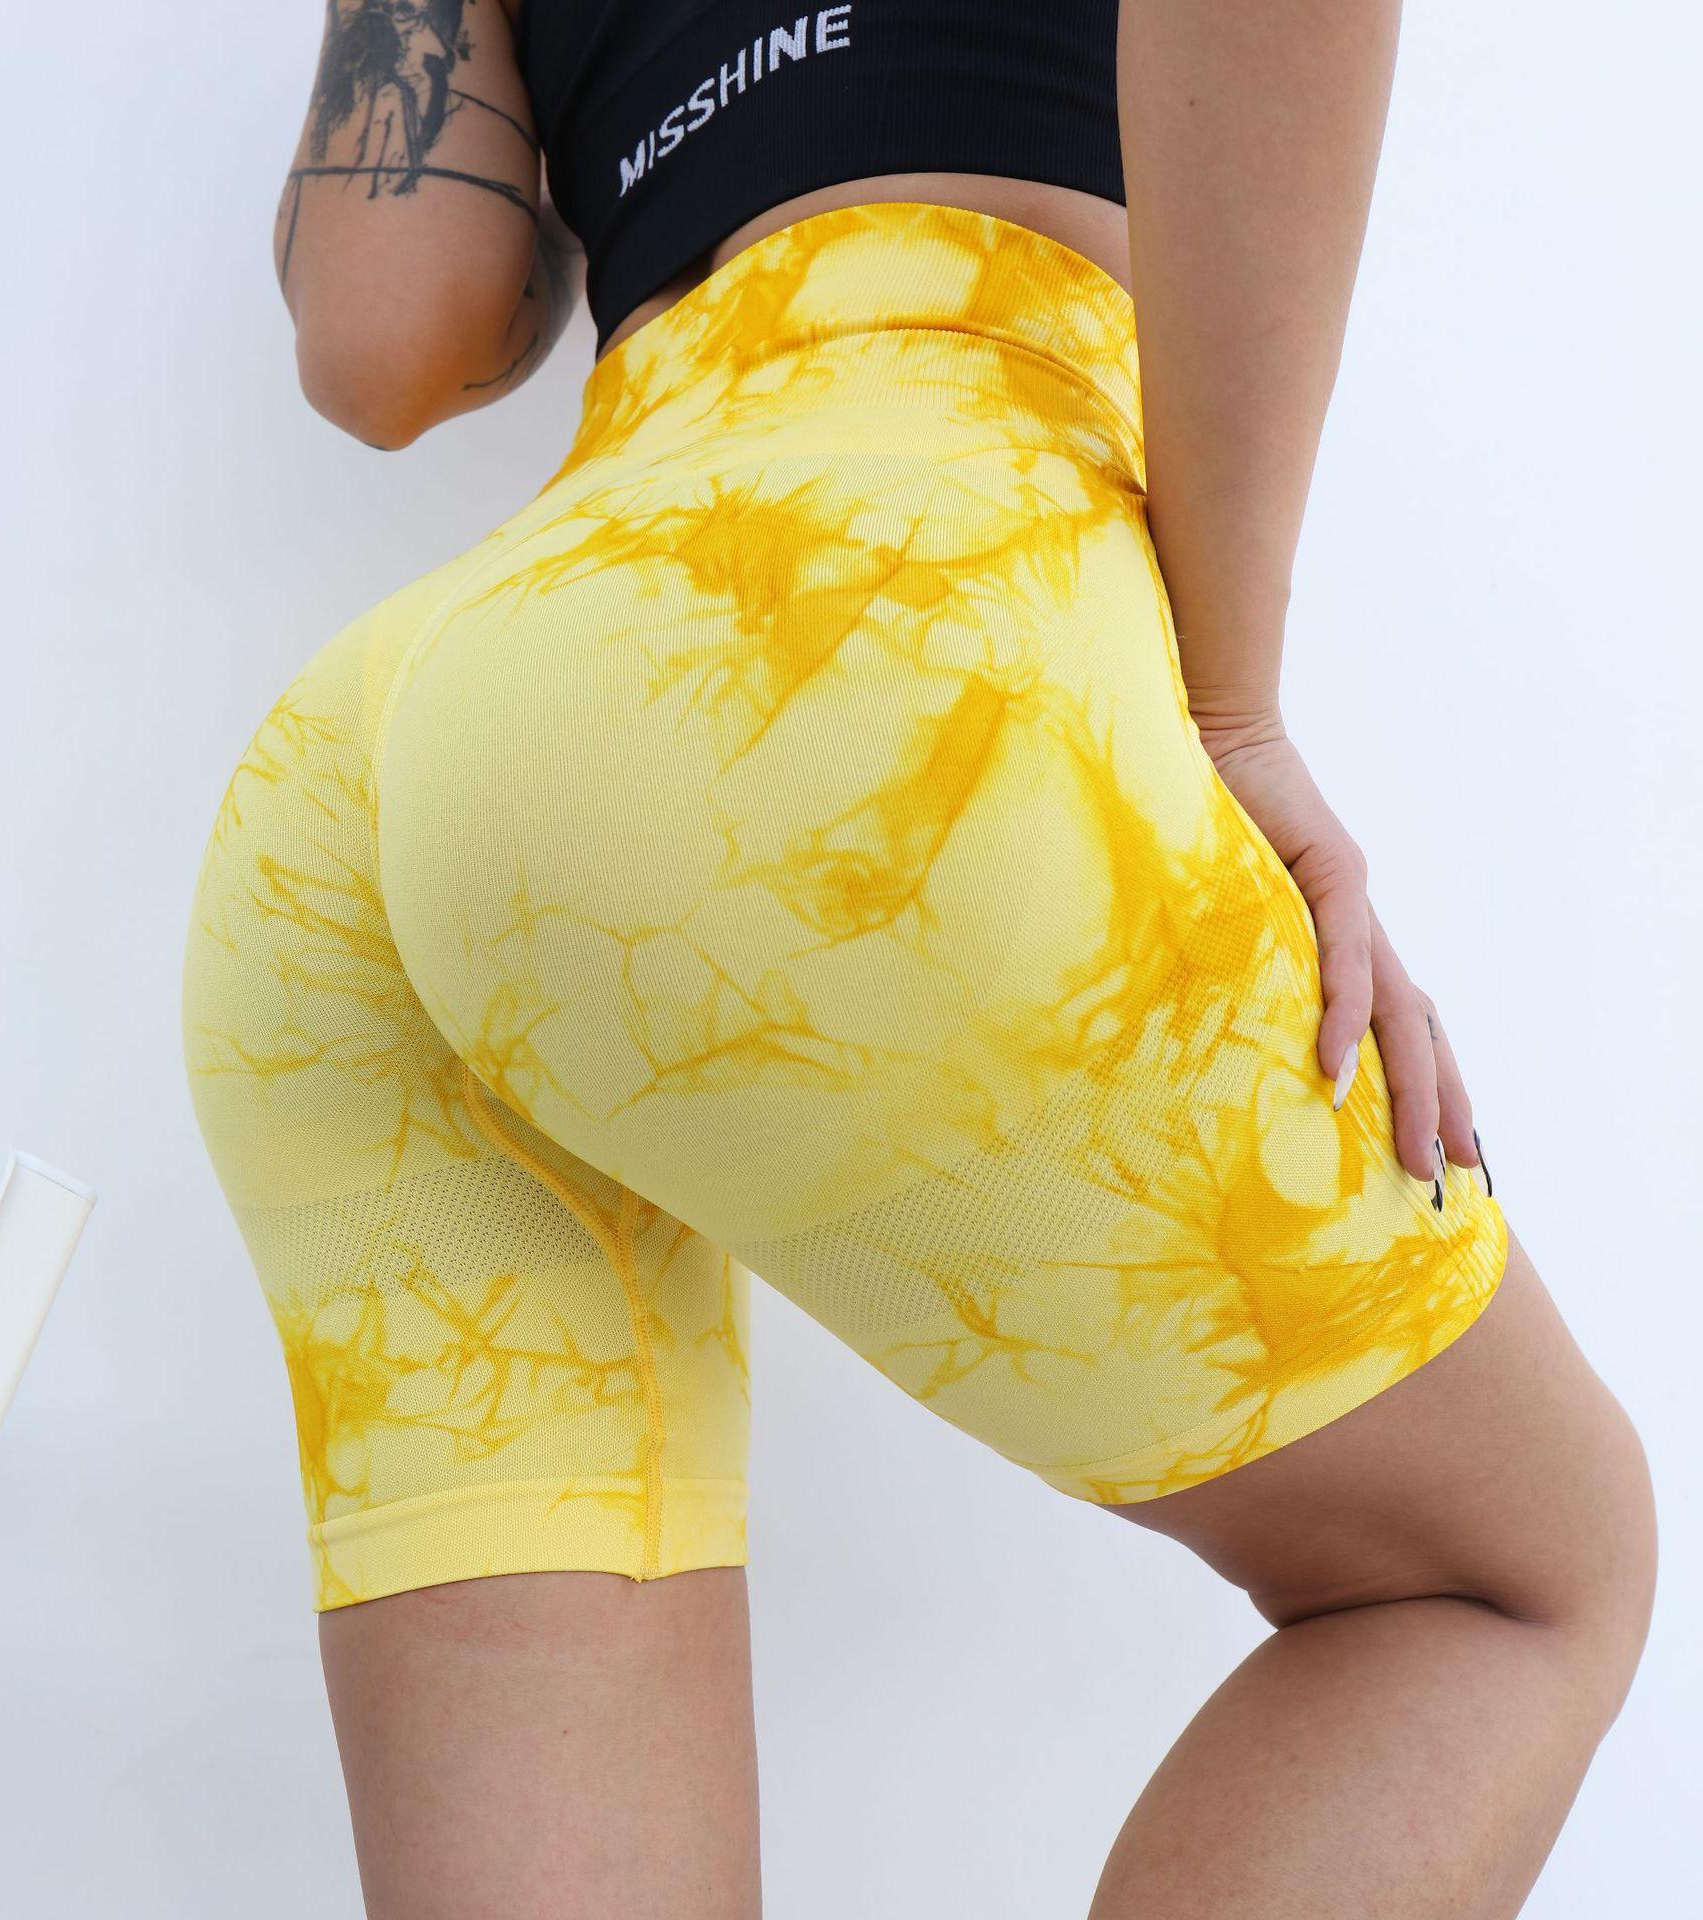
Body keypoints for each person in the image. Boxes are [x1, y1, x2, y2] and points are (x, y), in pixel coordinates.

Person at [180, 4, 1656, 1914]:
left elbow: (385, 340)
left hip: (393, 766)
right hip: (867, 594)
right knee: (1500, 1583)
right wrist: (1230, 711)